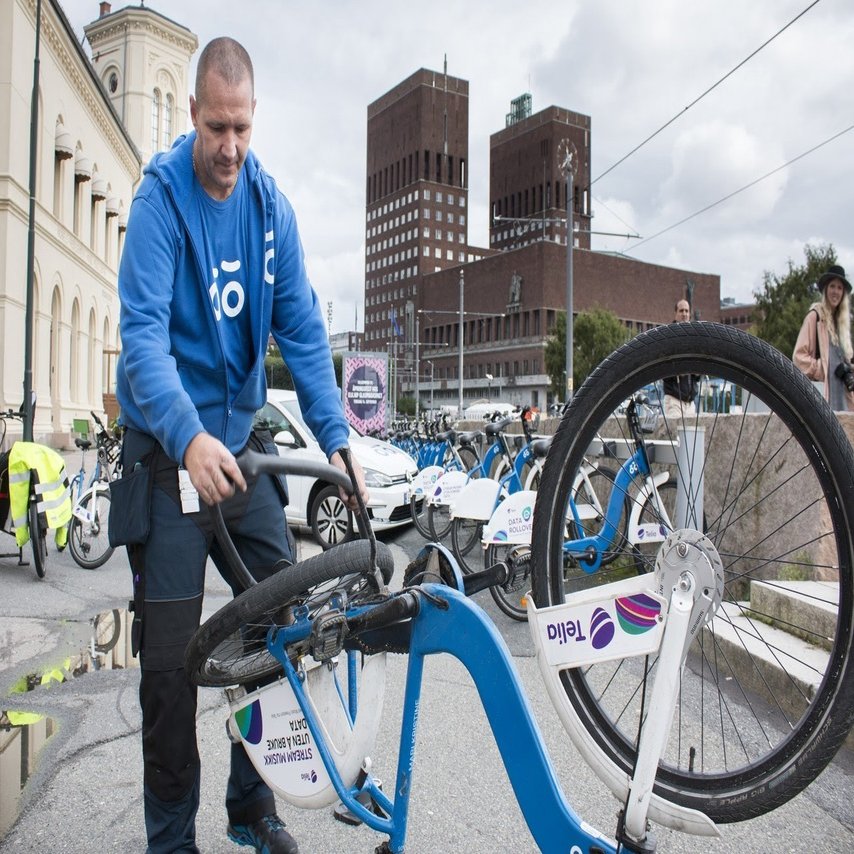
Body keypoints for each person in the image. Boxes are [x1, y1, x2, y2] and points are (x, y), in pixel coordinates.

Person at [113, 37, 367, 854]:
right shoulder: (160, 204)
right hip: (168, 455)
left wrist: (336, 442)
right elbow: (143, 341)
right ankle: (171, 837)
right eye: (217, 127)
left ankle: (248, 802)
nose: (229, 148)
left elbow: (302, 330)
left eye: (242, 130)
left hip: (240, 449)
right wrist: (185, 436)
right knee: (167, 669)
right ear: (193, 115)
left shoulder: (270, 211)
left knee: (281, 619)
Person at [793, 264, 854, 411]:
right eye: (832, 286)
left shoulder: (843, 326)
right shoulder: (815, 317)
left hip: (845, 403)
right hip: (823, 401)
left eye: (840, 288)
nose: (836, 292)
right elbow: (798, 358)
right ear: (826, 289)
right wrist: (823, 368)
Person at [662, 299, 699, 420]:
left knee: (691, 435)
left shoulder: (694, 337)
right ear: (675, 313)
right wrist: (679, 370)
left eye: (687, 311)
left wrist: (697, 370)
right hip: (674, 400)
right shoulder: (668, 336)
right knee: (675, 435)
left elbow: (698, 373)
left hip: (690, 402)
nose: (684, 314)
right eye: (681, 310)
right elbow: (662, 368)